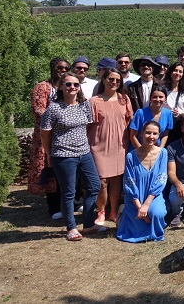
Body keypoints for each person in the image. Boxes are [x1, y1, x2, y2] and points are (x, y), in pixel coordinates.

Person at [40, 72, 102, 240]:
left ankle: (88, 224)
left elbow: (87, 127)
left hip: (84, 153)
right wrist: (48, 153)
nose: (72, 87)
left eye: (75, 84)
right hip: (63, 155)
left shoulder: (84, 105)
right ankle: (71, 228)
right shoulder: (53, 108)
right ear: (61, 86)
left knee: (94, 185)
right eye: (68, 84)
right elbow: (45, 133)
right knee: (68, 192)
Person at [88, 68, 133, 226]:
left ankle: (113, 211)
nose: (114, 82)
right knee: (102, 181)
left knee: (116, 180)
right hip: (99, 145)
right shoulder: (94, 101)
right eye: (111, 79)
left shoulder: (124, 99)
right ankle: (101, 211)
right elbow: (88, 126)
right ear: (104, 80)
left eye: (117, 80)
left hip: (119, 145)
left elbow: (128, 121)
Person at [29, 57, 69, 219]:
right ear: (53, 69)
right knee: (50, 169)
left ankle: (65, 204)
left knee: (64, 170)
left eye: (66, 68)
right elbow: (39, 111)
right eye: (60, 68)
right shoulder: (43, 87)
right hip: (47, 136)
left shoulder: (67, 87)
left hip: (64, 136)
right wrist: (60, 120)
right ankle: (53, 207)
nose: (63, 70)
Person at [116, 120, 168, 243]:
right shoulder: (131, 156)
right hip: (135, 199)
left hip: (153, 196)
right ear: (141, 134)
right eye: (148, 133)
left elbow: (161, 180)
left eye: (155, 134)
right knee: (136, 229)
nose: (151, 137)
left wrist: (146, 205)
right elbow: (129, 183)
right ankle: (124, 212)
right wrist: (140, 207)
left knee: (157, 213)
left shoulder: (163, 153)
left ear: (159, 135)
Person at [163, 62, 184, 143]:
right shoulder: (163, 89)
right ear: (170, 72)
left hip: (182, 125)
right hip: (166, 126)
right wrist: (168, 112)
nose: (177, 73)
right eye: (175, 70)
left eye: (180, 71)